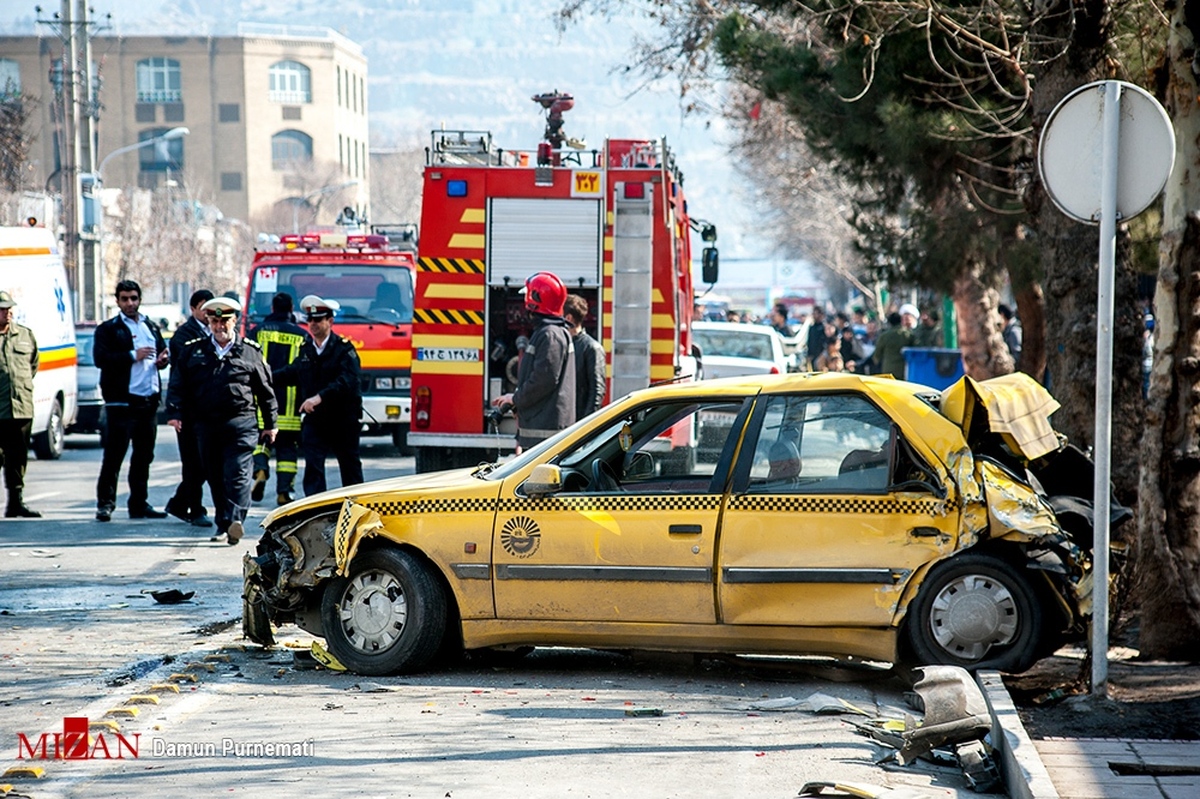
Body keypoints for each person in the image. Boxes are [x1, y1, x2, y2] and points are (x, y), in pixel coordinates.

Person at [167, 296, 277, 545]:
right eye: (215, 321)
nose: (219, 326)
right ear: (209, 322)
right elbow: (178, 384)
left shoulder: (250, 352)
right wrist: (174, 412)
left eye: (224, 321)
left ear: (235, 321)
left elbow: (265, 390)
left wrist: (271, 424)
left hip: (241, 424)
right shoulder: (194, 350)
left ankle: (234, 520)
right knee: (215, 475)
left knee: (236, 473)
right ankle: (223, 523)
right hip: (205, 425)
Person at [94, 280, 169, 522]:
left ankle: (139, 503)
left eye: (134, 298)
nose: (130, 303)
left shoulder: (150, 326)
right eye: (125, 299)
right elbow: (101, 358)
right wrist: (131, 355)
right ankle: (105, 504)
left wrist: (162, 361)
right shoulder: (109, 329)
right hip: (122, 402)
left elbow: (162, 351)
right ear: (117, 301)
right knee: (114, 456)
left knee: (143, 456)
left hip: (147, 401)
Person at [277, 295, 363, 497]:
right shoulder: (307, 349)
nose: (313, 324)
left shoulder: (344, 349)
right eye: (310, 320)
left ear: (330, 322)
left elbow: (347, 381)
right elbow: (293, 372)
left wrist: (319, 397)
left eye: (318, 320)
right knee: (313, 465)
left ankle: (356, 508)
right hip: (316, 419)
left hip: (343, 419)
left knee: (349, 466)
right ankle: (316, 509)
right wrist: (262, 379)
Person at [492, 271, 576, 450]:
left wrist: (515, 399)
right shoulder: (553, 332)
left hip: (544, 433)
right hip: (544, 431)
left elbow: (543, 380)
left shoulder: (549, 335)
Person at [249, 291, 309, 505]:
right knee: (286, 447)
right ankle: (284, 491)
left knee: (260, 439)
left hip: (261, 399)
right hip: (290, 402)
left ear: (272, 308)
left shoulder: (257, 332)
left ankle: (260, 467)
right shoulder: (302, 335)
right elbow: (305, 368)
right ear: (291, 309)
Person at [164, 289, 214, 527]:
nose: (207, 313)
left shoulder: (214, 331)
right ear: (193, 309)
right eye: (203, 308)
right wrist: (174, 411)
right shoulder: (184, 336)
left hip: (207, 409)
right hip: (188, 409)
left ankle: (178, 503)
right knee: (194, 462)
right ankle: (194, 508)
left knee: (206, 461)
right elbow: (180, 375)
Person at [0, 290, 41, 517]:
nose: (6, 313)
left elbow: (33, 365)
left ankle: (15, 503)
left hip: (21, 408)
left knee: (18, 458)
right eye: (2, 309)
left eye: (8, 309)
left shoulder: (25, 335)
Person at [564, 293, 605, 420]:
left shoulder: (591, 348)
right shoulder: (562, 344)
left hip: (579, 421)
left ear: (568, 318)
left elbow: (597, 391)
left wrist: (585, 425)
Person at [869, 311, 913, 378]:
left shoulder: (884, 336)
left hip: (888, 370)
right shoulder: (908, 335)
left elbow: (876, 356)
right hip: (904, 370)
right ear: (901, 321)